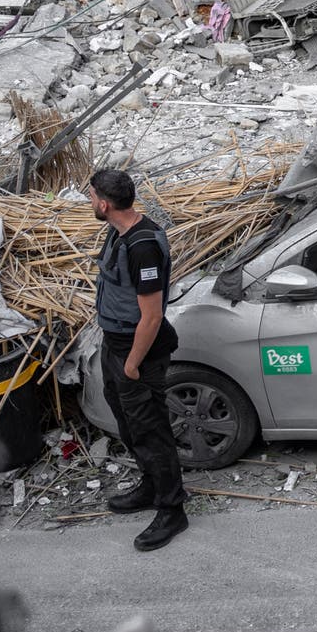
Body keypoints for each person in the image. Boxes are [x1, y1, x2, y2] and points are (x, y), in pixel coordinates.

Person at [88, 167, 188, 552]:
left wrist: (131, 365)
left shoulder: (142, 245)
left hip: (138, 352)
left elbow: (151, 316)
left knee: (150, 430)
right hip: (118, 347)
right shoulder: (118, 230)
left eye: (92, 197)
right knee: (131, 426)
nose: (90, 203)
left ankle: (172, 509)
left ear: (105, 203)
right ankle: (151, 486)